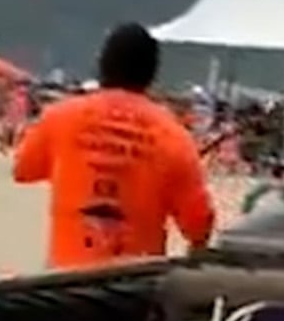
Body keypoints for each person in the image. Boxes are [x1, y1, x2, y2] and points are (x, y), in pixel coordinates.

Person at [12, 22, 215, 269]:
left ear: (102, 65)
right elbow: (199, 226)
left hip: (63, 280)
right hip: (135, 284)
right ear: (152, 73)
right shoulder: (173, 136)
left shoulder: (60, 117)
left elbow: (22, 170)